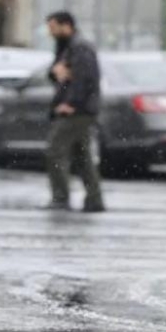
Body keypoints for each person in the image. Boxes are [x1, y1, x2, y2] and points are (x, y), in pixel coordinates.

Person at [45, 11, 105, 213]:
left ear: (66, 25)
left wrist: (71, 103)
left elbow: (84, 80)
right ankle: (94, 199)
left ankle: (61, 197)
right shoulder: (67, 47)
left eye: (53, 28)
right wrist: (56, 73)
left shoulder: (80, 47)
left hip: (77, 111)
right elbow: (58, 74)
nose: (51, 33)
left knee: (55, 151)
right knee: (82, 156)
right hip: (78, 109)